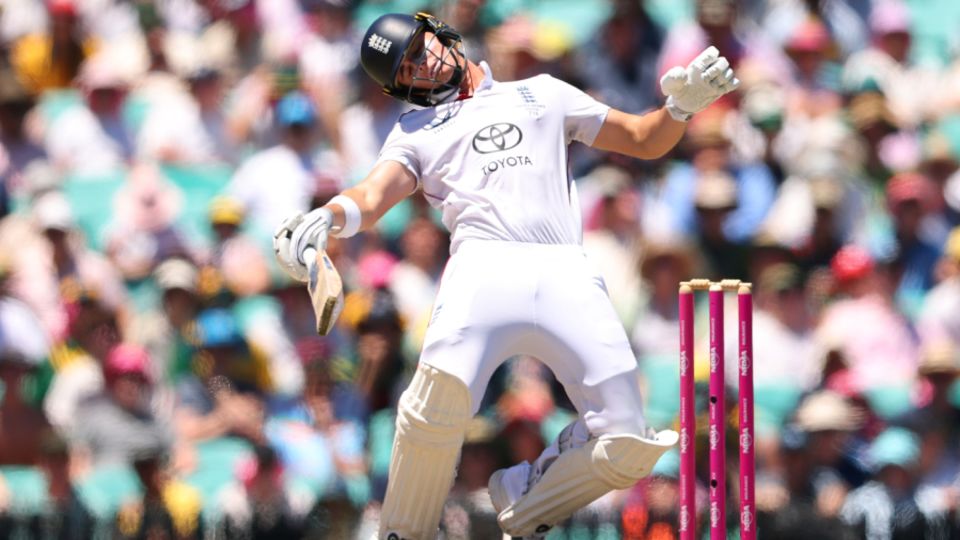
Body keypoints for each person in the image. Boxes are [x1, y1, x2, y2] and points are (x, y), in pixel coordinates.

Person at [272, 12, 739, 539]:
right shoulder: (415, 129)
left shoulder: (543, 92)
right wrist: (330, 215)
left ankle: (529, 494)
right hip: (481, 267)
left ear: (440, 33)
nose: (423, 65)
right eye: (407, 70)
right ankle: (403, 532)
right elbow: (375, 194)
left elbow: (642, 138)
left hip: (564, 267)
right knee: (434, 408)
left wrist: (679, 108)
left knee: (630, 443)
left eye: (420, 48)